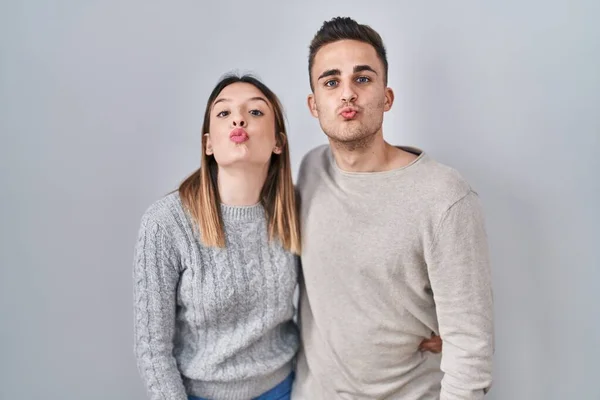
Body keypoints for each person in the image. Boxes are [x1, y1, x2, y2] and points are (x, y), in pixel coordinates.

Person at [291, 17, 494, 400]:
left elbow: (471, 348)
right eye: (331, 82)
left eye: (363, 79)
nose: (347, 93)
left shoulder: (444, 196)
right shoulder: (311, 169)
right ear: (314, 104)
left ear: (386, 97)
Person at [133, 74, 301, 400]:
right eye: (224, 113)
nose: (239, 118)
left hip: (285, 390)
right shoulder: (166, 223)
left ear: (278, 142)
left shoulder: (294, 209)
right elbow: (152, 349)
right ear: (208, 143)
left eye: (255, 112)